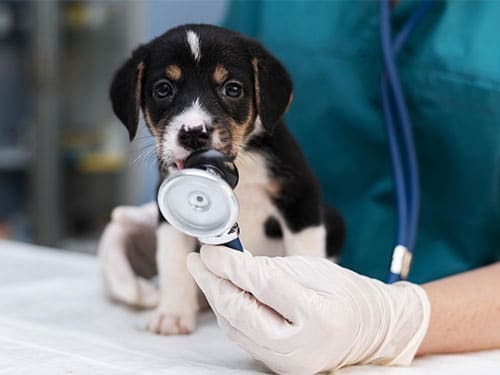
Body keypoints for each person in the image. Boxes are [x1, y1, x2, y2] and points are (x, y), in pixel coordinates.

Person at [101, 1, 500, 373]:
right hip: (227, 335)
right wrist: (174, 227)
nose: (196, 122)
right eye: (164, 91)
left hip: (468, 343)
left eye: (232, 90)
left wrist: (397, 319)